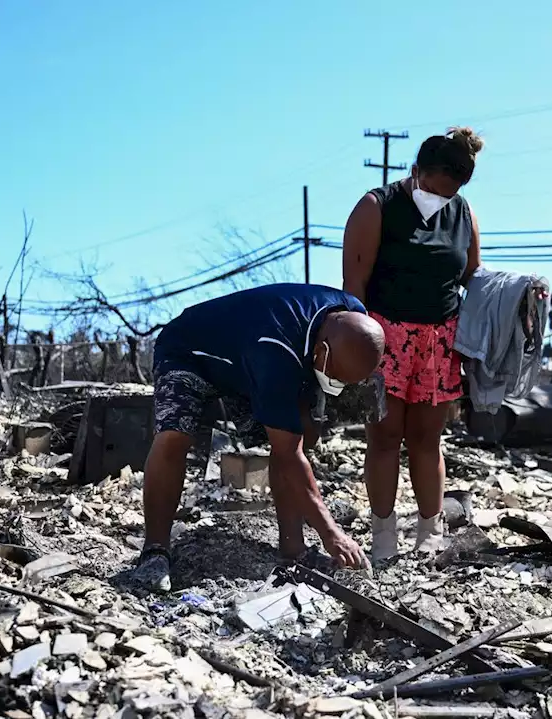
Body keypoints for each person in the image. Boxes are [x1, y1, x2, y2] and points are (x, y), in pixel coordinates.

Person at [132, 284, 385, 592]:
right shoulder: (277, 349)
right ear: (322, 351)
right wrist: (332, 533)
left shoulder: (353, 314)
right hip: (189, 352)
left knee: (300, 430)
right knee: (175, 435)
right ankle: (155, 551)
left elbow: (293, 442)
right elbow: (289, 454)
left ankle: (294, 550)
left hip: (246, 356)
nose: (337, 385)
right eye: (336, 378)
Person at [341, 127, 484, 561]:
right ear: (416, 171)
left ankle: (429, 531)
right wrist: (356, 351)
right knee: (384, 436)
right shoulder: (376, 207)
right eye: (435, 189)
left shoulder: (463, 214)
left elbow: (473, 280)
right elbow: (353, 285)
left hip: (440, 340)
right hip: (384, 336)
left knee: (427, 438)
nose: (441, 199)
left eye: (450, 194)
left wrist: (519, 293)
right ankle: (383, 535)